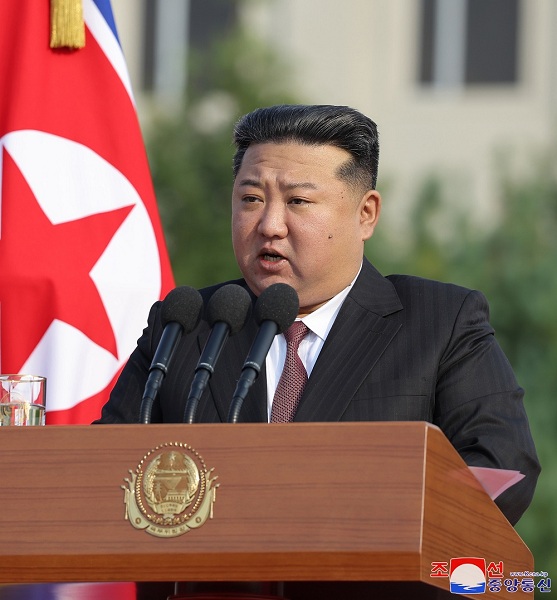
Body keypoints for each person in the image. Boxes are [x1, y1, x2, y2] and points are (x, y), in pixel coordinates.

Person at [96, 104, 540, 529]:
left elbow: (501, 466)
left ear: (365, 214)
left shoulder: (440, 323)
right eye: (251, 198)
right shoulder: (186, 325)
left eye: (298, 201)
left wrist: (350, 518)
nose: (270, 225)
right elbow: (100, 474)